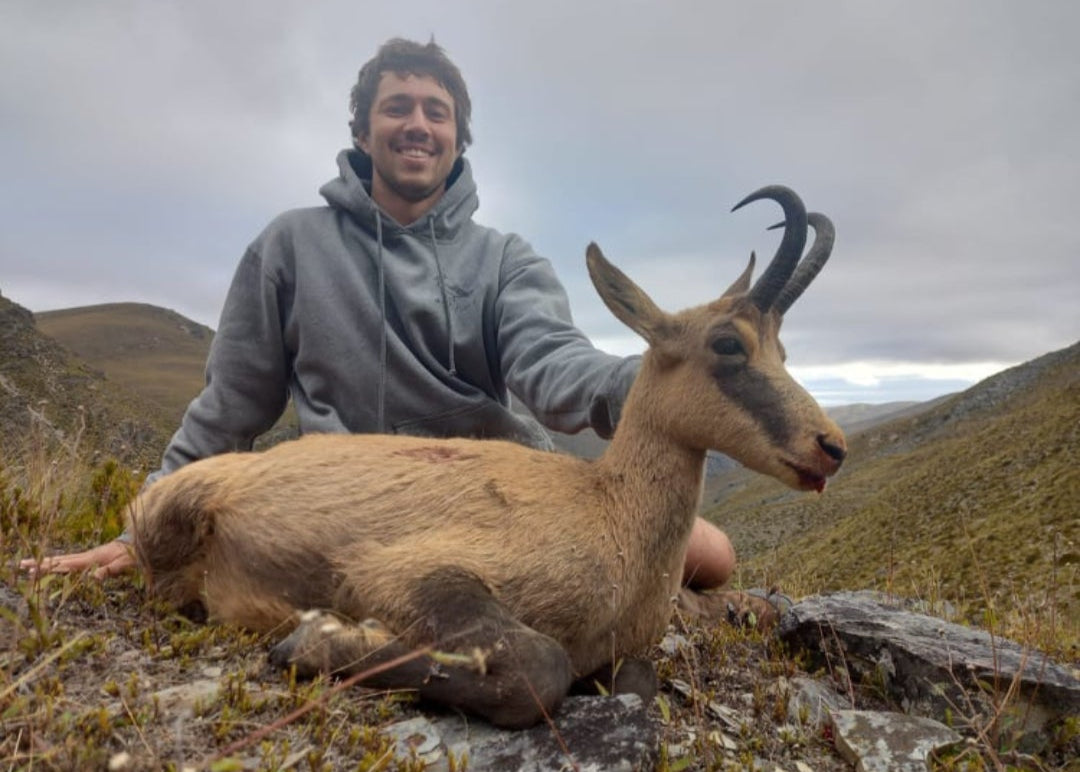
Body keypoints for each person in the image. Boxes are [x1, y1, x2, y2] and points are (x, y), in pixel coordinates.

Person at [23, 37, 736, 594]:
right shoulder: (289, 245)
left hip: (490, 493)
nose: (417, 124)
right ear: (364, 133)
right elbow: (231, 405)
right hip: (354, 498)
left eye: (436, 111)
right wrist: (142, 529)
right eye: (397, 107)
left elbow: (550, 362)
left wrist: (654, 386)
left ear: (458, 138)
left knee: (713, 555)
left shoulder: (505, 259)